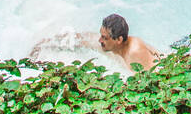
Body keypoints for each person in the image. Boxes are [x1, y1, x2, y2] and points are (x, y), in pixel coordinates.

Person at [29, 13, 161, 72]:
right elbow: (79, 38)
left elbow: (152, 81)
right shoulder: (109, 44)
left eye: (104, 38)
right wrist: (44, 44)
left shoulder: (134, 53)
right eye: (101, 35)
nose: (100, 40)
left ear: (119, 40)